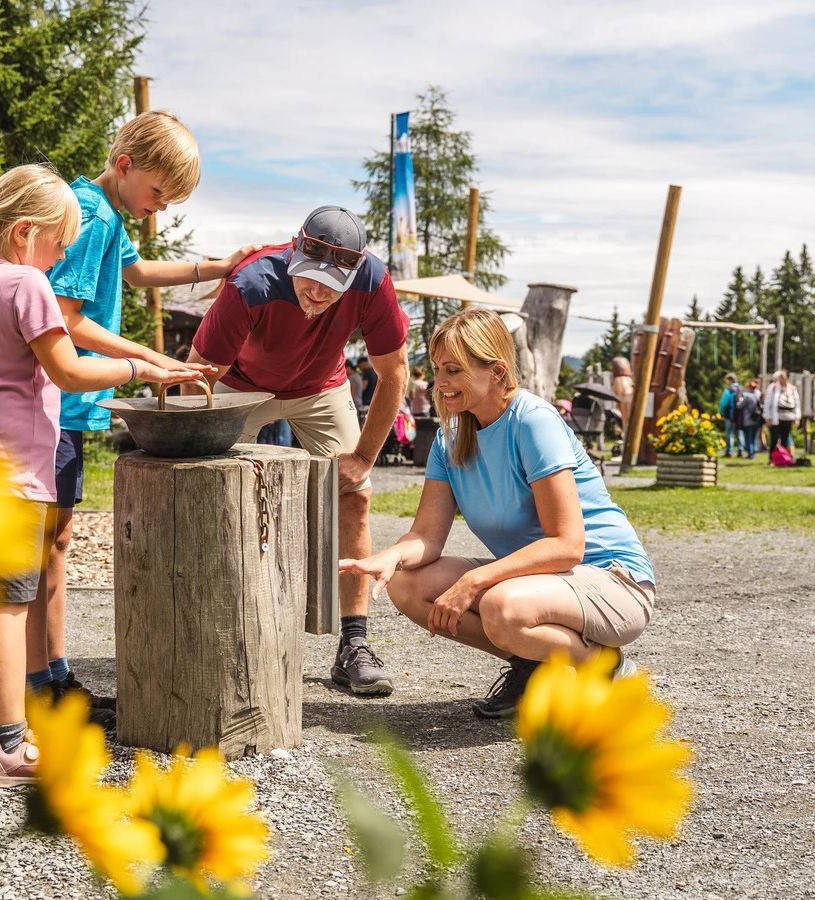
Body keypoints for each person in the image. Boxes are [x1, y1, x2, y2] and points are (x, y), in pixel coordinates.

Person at [0, 165, 200, 787]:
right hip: (11, 478)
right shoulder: (27, 286)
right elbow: (67, 372)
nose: (66, 254)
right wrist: (137, 370)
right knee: (9, 605)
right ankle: (10, 745)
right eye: (61, 243)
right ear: (23, 234)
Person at [39, 111, 259, 716]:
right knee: (40, 547)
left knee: (54, 542)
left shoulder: (108, 212)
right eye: (159, 193)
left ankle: (53, 677)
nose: (159, 208)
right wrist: (149, 360)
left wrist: (217, 267)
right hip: (54, 404)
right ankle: (42, 685)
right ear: (126, 164)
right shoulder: (90, 216)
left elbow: (135, 273)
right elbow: (65, 318)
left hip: (70, 406)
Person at [338, 308, 655, 718]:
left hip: (613, 580)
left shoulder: (533, 422)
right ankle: (533, 665)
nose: (441, 382)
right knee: (408, 586)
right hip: (538, 579)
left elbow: (567, 545)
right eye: (437, 369)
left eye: (453, 369)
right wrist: (391, 556)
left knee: (502, 607)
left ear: (497, 371)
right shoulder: (449, 438)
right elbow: (428, 537)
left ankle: (607, 667)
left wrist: (474, 580)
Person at [189, 205, 410, 696]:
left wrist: (364, 459)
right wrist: (191, 448)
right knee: (203, 483)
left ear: (354, 273)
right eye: (309, 278)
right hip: (239, 385)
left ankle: (353, 644)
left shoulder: (373, 281)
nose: (316, 292)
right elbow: (198, 375)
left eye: (331, 285)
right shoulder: (251, 283)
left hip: (321, 387)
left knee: (356, 494)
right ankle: (209, 625)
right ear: (294, 249)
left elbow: (394, 373)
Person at [763, 370, 799, 456]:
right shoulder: (773, 387)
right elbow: (767, 402)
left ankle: (783, 457)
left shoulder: (792, 388)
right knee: (774, 438)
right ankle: (772, 458)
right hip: (776, 417)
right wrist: (767, 417)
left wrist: (797, 417)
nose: (781, 378)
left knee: (785, 439)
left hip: (788, 417)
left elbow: (797, 403)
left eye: (783, 376)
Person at [717, 373, 743, 458]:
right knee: (739, 432)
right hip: (739, 415)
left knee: (729, 433)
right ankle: (741, 450)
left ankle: (729, 451)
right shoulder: (741, 389)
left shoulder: (728, 390)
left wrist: (721, 412)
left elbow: (723, 403)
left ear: (730, 380)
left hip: (729, 415)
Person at [739, 378, 763, 460]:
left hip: (748, 419)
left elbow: (739, 405)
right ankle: (753, 452)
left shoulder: (746, 396)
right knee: (753, 437)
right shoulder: (757, 395)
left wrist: (739, 400)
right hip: (756, 419)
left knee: (748, 437)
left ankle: (750, 453)